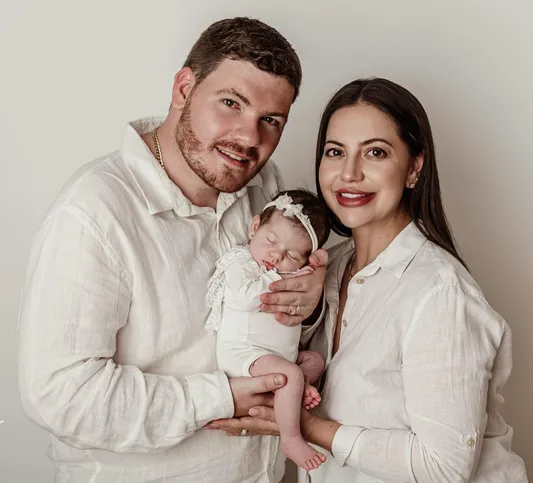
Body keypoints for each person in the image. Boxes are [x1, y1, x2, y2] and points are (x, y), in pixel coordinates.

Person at [17, 17, 327, 483]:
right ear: (184, 87)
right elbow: (59, 396)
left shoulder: (265, 187)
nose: (249, 138)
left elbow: (277, 315)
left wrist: (310, 299)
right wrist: (221, 397)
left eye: (271, 120)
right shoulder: (94, 213)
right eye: (230, 103)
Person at [209, 78, 528, 482]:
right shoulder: (324, 271)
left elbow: (444, 467)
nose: (349, 173)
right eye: (335, 152)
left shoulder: (439, 294)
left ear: (414, 167)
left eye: (375, 152)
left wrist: (301, 428)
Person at [205, 189, 330, 471]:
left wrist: (310, 269)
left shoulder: (289, 272)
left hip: (276, 355)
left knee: (314, 361)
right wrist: (282, 273)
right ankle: (291, 437)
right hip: (244, 353)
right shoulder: (240, 262)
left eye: (291, 255)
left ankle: (294, 389)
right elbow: (249, 297)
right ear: (254, 227)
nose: (276, 255)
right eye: (271, 241)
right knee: (290, 373)